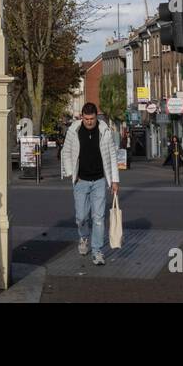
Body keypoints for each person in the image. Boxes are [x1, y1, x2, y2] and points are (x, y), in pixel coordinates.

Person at [61, 102, 120, 266]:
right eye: (86, 119)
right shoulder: (74, 131)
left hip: (100, 181)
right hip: (80, 180)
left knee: (99, 218)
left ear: (96, 117)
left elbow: (112, 156)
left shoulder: (104, 131)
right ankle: (84, 237)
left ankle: (97, 251)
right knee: (81, 217)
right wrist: (70, 173)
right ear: (82, 117)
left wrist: (114, 180)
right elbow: (66, 151)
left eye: (92, 119)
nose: (89, 122)